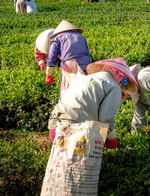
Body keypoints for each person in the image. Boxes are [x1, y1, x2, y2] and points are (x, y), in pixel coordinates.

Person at [43, 58, 137, 194]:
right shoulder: (113, 87)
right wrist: (112, 137)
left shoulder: (83, 79)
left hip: (60, 124)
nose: (122, 82)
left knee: (59, 170)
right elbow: (105, 119)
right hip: (81, 130)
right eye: (122, 78)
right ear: (118, 74)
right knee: (77, 173)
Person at [45, 20, 92, 86]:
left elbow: (52, 56)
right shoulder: (81, 37)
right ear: (73, 29)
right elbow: (87, 53)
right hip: (84, 66)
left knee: (67, 90)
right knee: (85, 88)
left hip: (69, 67)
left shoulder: (57, 39)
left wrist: (49, 74)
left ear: (59, 32)